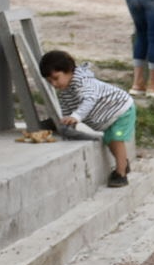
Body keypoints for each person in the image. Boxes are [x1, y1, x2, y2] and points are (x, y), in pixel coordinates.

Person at [40, 49, 136, 188]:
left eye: (56, 78)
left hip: (121, 109)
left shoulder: (82, 82)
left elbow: (89, 99)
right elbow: (67, 109)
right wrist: (64, 121)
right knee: (109, 139)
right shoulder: (65, 89)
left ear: (69, 70)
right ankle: (123, 163)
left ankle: (121, 173)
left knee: (116, 137)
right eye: (50, 81)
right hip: (106, 116)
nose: (54, 84)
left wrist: (76, 116)